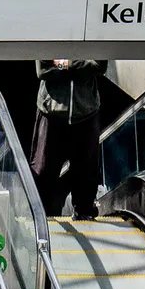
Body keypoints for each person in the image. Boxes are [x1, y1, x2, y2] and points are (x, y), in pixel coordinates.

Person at [32, 59, 107, 220]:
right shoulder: (48, 33)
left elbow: (99, 66)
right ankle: (39, 218)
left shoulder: (91, 35)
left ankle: (84, 213)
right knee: (43, 169)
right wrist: (79, 65)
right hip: (52, 113)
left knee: (86, 171)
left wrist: (63, 64)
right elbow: (43, 70)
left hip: (86, 114)